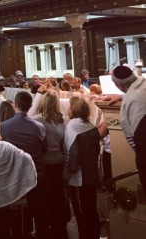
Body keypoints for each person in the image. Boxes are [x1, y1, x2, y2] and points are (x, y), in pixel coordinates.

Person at [0, 91, 49, 239]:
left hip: (16, 176)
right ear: (30, 106)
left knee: (20, 218)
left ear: (15, 105)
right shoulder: (38, 126)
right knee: (40, 213)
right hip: (37, 174)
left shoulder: (4, 126)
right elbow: (44, 148)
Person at [64, 96, 101, 239]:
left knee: (81, 212)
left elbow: (74, 155)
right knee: (91, 209)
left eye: (69, 106)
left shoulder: (73, 127)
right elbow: (97, 150)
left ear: (74, 109)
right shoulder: (91, 126)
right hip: (92, 175)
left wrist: (68, 172)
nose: (68, 108)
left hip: (80, 179)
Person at [33, 91, 68, 238]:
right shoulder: (63, 121)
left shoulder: (37, 121)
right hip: (58, 162)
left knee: (44, 200)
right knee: (58, 199)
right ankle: (59, 230)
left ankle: (45, 231)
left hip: (45, 164)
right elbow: (64, 145)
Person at [111, 65, 146, 190]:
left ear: (120, 86)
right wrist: (121, 96)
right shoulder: (142, 83)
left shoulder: (131, 100)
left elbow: (133, 136)